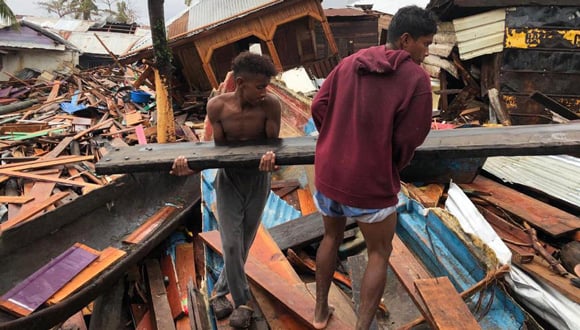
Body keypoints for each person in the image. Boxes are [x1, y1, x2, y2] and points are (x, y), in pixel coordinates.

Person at [310, 6, 437, 329]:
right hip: (371, 181)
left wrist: (334, 141)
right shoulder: (417, 80)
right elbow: (410, 138)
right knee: (379, 253)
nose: (427, 51)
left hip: (329, 172)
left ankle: (321, 312)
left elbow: (318, 106)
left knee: (330, 238)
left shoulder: (351, 63)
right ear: (406, 40)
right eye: (425, 43)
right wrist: (386, 161)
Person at [170, 51, 281, 328]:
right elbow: (218, 152)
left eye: (267, 86)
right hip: (229, 180)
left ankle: (219, 292)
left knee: (241, 244)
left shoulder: (271, 106)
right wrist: (191, 166)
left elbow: (273, 148)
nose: (265, 92)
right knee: (231, 244)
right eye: (260, 86)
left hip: (258, 181)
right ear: (241, 82)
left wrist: (271, 162)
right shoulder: (217, 108)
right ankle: (243, 302)